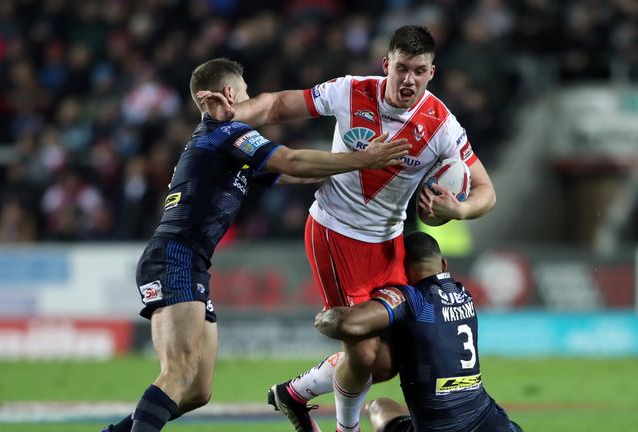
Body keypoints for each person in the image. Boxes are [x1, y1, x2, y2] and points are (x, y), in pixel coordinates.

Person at [200, 25, 497, 432]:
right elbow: (276, 106)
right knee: (364, 350)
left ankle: (295, 392)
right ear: (386, 65)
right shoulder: (351, 91)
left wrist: (459, 210)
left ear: (432, 72)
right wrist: (232, 115)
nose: (409, 79)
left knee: (389, 363)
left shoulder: (442, 124)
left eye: (419, 70)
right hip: (336, 233)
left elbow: (486, 191)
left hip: (390, 243)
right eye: (402, 68)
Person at [100, 57, 410, 432]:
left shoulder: (226, 147)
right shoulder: (227, 133)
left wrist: (352, 171)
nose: (249, 102)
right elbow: (293, 161)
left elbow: (290, 175)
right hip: (174, 258)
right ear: (230, 93)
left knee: (197, 390)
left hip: (192, 263)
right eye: (245, 93)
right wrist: (363, 158)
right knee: (178, 373)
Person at [315, 231, 522, 432]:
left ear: (401, 269)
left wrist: (323, 318)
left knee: (378, 406)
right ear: (443, 264)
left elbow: (347, 324)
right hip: (492, 421)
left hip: (438, 428)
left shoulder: (414, 299)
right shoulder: (463, 293)